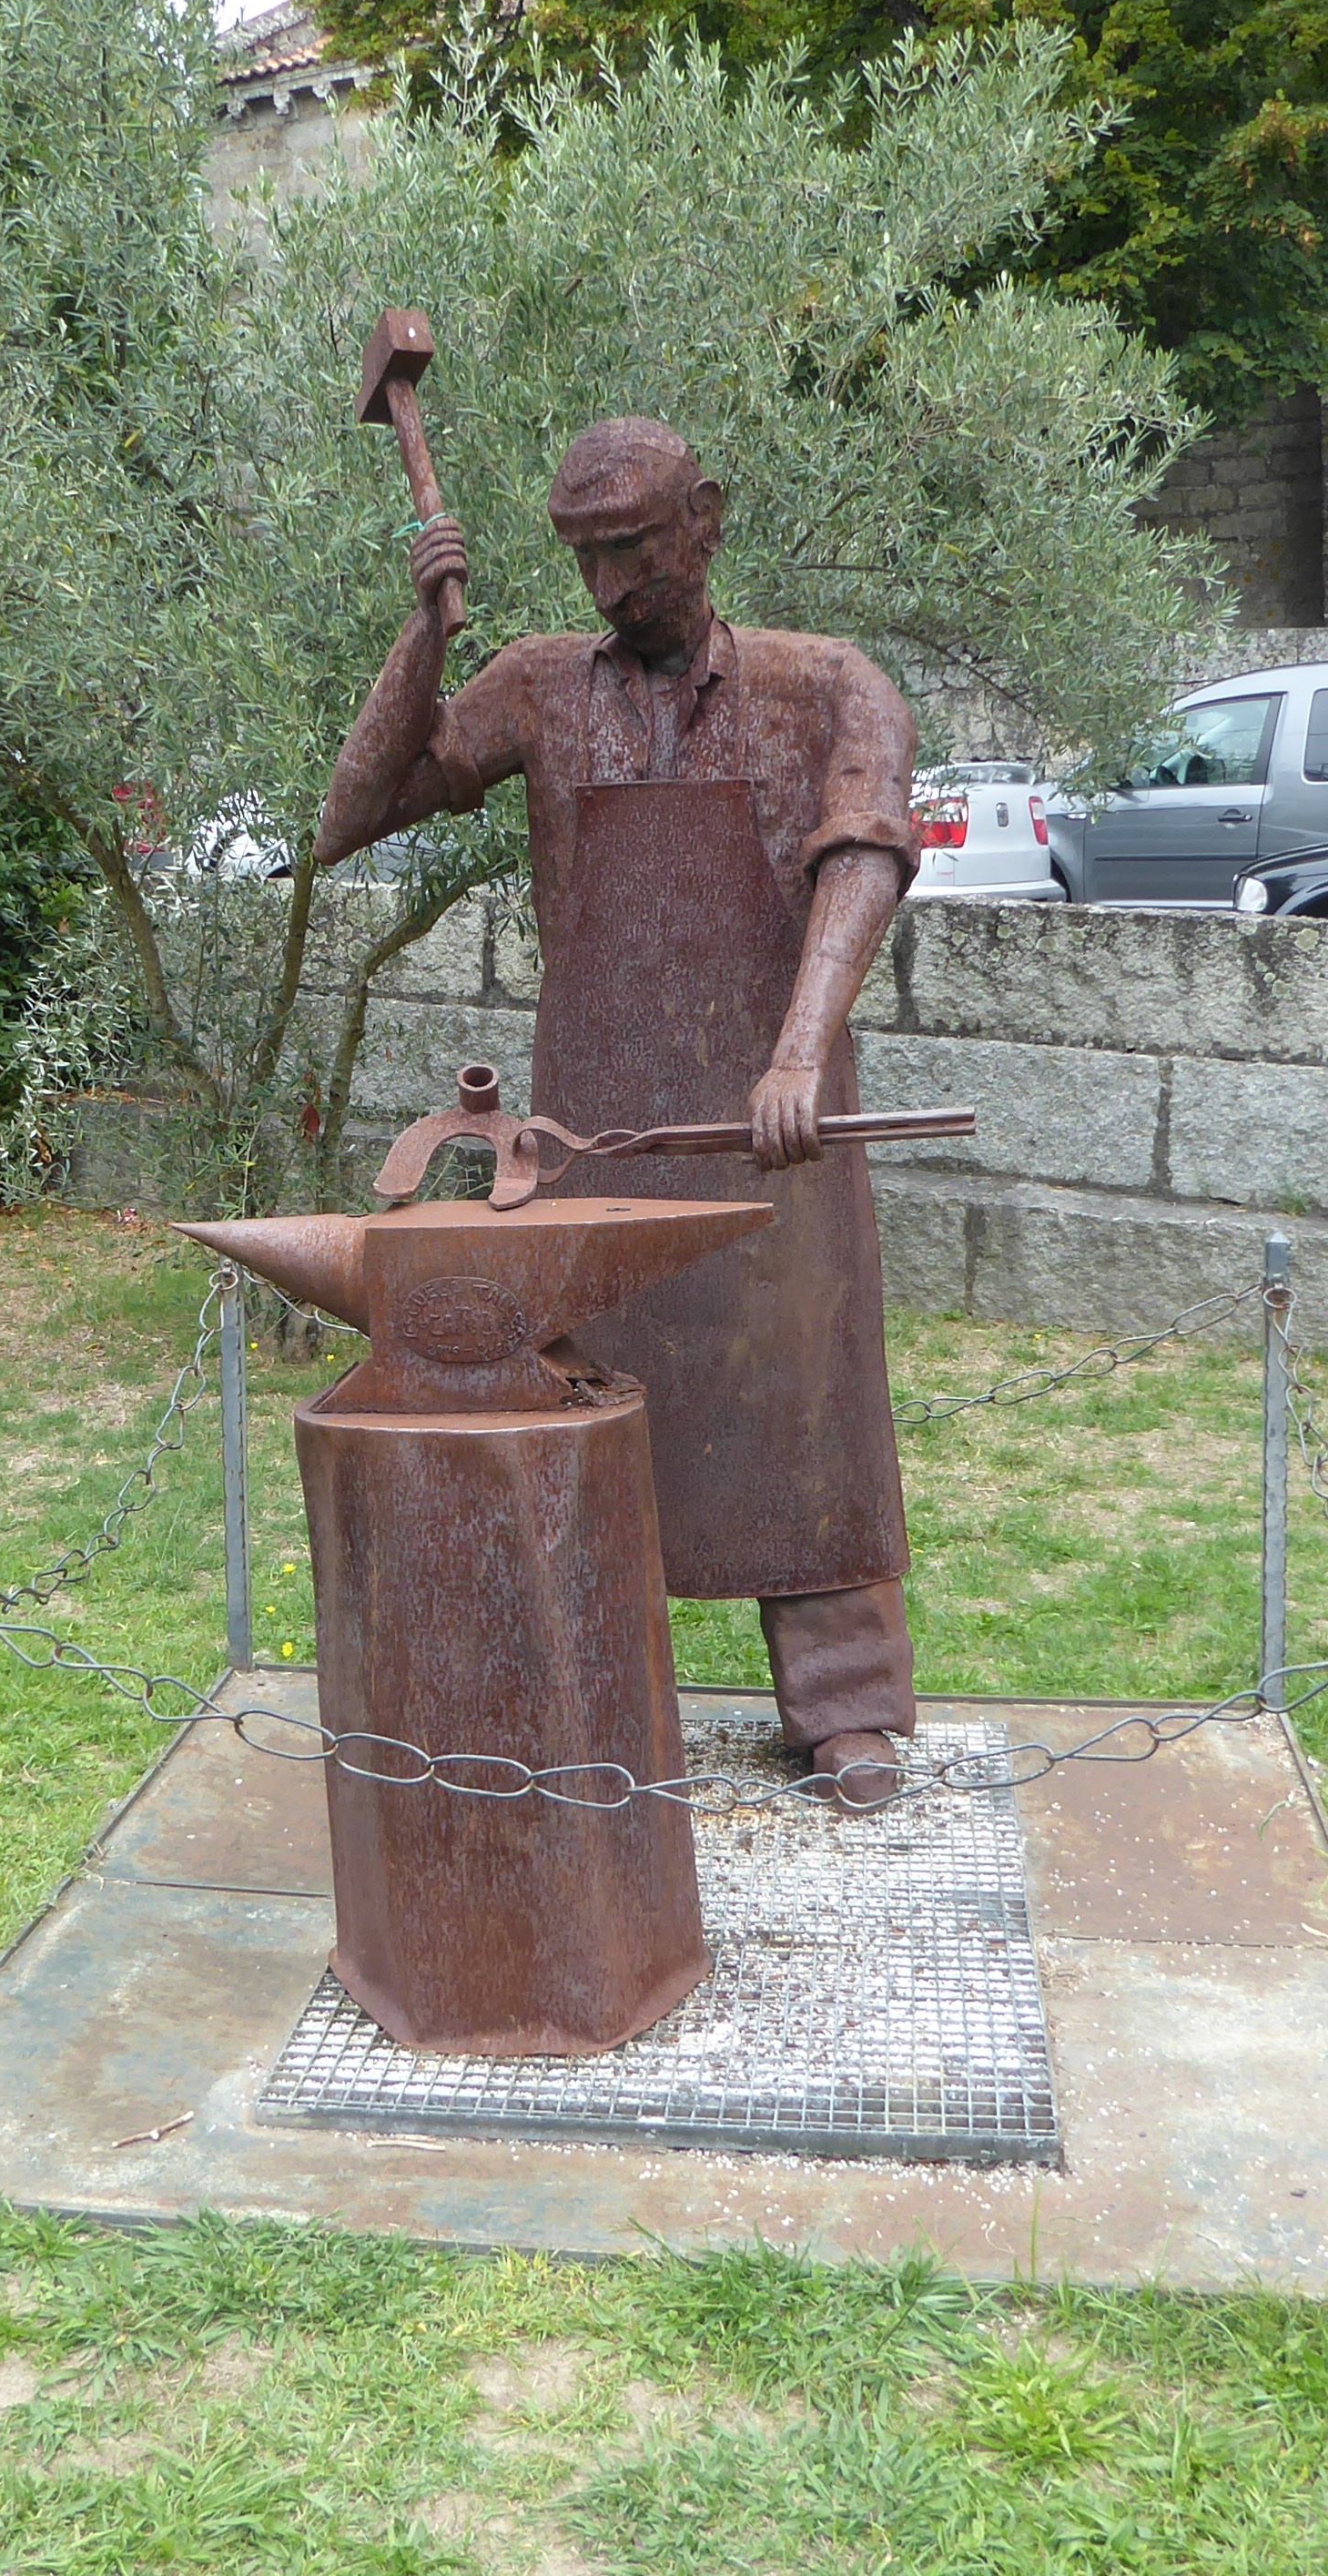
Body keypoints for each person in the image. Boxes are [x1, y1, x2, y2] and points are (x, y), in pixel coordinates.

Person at [315, 417, 921, 1809]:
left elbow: (864, 860)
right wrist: (424, 636)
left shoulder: (828, 687)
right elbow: (353, 813)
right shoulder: (537, 690)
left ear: (704, 517)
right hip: (595, 1142)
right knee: (591, 1413)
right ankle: (586, 1685)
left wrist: (795, 1057)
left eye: (633, 549)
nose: (606, 587)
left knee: (806, 1404)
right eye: (583, 558)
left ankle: (844, 1704)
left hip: (773, 1137)